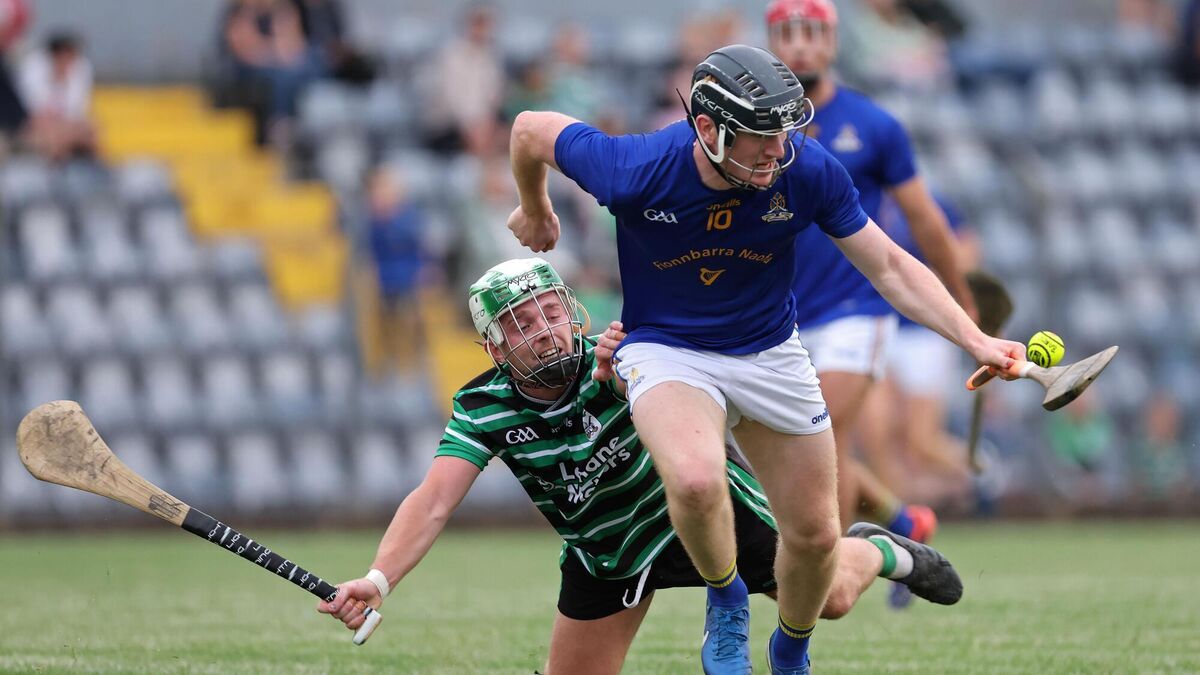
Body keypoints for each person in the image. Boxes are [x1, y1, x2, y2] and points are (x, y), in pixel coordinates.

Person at [505, 45, 1020, 674]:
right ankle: (727, 600)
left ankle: (791, 648)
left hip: (770, 351)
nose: (780, 150)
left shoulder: (806, 168)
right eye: (762, 137)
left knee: (816, 538)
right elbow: (528, 129)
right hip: (666, 350)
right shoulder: (634, 167)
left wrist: (975, 340)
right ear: (707, 129)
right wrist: (537, 207)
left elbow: (888, 266)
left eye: (784, 132)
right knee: (696, 482)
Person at [317, 258, 965, 674]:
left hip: (703, 515)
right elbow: (433, 498)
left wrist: (631, 376)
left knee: (836, 600)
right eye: (520, 323)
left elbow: (708, 406)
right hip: (608, 554)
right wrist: (379, 578)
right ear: (494, 346)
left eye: (549, 311)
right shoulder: (482, 406)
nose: (543, 329)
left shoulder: (625, 347)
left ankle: (880, 549)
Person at [767, 0, 977, 579]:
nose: (801, 45)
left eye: (813, 33)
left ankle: (829, 576)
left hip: (855, 310)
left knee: (821, 434)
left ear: (834, 43)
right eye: (788, 34)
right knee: (783, 448)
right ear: (770, 44)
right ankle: (903, 524)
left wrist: (961, 301)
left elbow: (927, 220)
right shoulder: (753, 130)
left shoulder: (874, 125)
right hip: (779, 317)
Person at [16, 30, 96, 161]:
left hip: (63, 127)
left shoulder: (80, 69)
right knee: (51, 137)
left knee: (90, 130)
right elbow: (34, 114)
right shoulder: (33, 68)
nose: (67, 62)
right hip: (34, 128)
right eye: (64, 55)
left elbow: (77, 113)